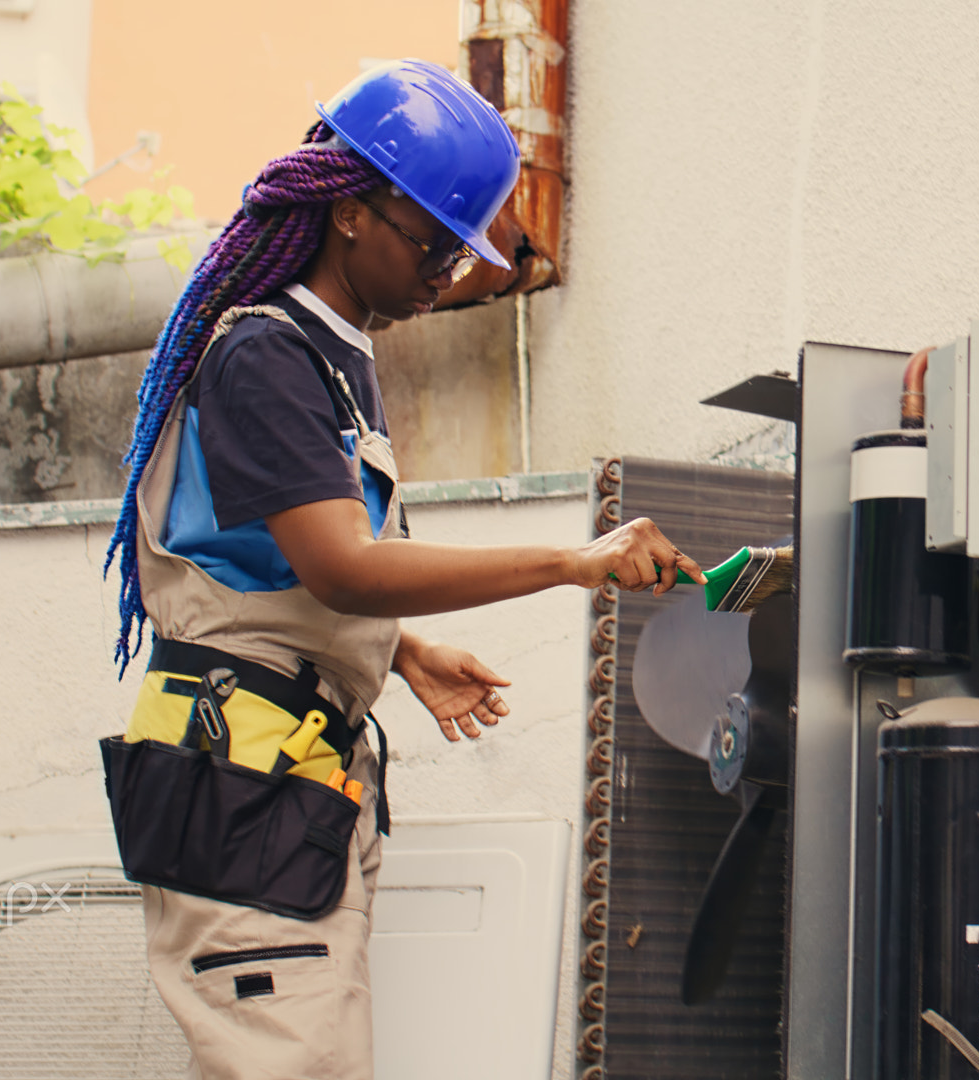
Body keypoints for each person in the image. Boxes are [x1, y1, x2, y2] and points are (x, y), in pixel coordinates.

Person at [100, 59, 701, 1079]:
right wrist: (569, 560)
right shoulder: (265, 354)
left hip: (290, 780)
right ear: (350, 210)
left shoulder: (334, 357)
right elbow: (339, 566)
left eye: (459, 254)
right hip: (245, 781)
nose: (445, 276)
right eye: (430, 244)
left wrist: (400, 647)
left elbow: (267, 559)